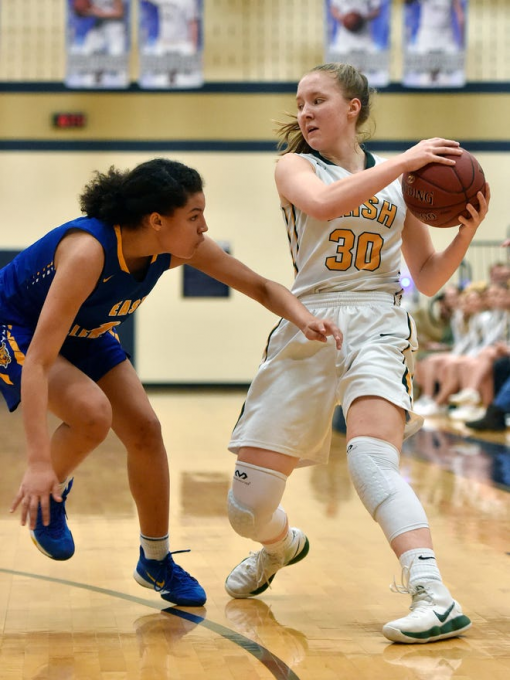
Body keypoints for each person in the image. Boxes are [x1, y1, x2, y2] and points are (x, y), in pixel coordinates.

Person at [223, 63, 490, 644]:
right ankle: (281, 546)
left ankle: (432, 593)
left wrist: (465, 234)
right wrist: (404, 160)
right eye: (299, 103)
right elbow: (320, 205)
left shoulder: (402, 182)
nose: (305, 112)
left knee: (371, 458)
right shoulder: (295, 167)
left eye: (317, 99)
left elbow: (425, 274)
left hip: (380, 318)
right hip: (309, 318)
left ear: (353, 107)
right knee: (247, 509)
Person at [2, 158, 342, 608]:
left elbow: (260, 287)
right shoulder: (88, 252)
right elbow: (40, 361)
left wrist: (305, 319)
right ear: (157, 221)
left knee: (145, 430)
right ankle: (53, 491)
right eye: (195, 216)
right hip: (21, 328)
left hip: (87, 331)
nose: (205, 227)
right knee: (92, 414)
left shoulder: (176, 247)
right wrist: (40, 463)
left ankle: (155, 560)